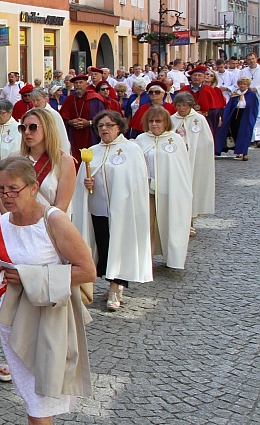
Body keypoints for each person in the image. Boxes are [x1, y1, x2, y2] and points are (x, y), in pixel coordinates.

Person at [0, 157, 94, 425]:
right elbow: (8, 264)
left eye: (13, 189)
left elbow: (87, 271)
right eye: (0, 190)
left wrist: (30, 276)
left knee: (39, 410)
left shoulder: (54, 220)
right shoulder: (3, 222)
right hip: (14, 323)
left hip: (51, 324)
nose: (6, 196)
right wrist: (3, 272)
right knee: (34, 403)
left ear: (34, 187)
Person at [0, 108, 78, 385]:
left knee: (44, 299)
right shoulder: (14, 160)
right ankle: (14, 354)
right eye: (23, 128)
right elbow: (3, 199)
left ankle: (50, 354)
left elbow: (61, 206)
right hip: (19, 234)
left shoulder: (64, 162)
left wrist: (39, 227)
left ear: (47, 129)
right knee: (17, 297)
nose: (27, 133)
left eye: (33, 127)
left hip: (48, 237)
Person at [71, 111, 153, 312]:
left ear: (119, 127)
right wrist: (87, 183)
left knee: (120, 248)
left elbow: (136, 180)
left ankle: (115, 288)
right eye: (100, 126)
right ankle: (111, 281)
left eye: (109, 125)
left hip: (123, 210)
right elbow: (85, 179)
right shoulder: (93, 151)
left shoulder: (131, 149)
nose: (104, 129)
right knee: (105, 248)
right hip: (98, 210)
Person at [135, 109, 192, 270]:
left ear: (166, 122)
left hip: (170, 190)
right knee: (147, 225)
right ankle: (146, 258)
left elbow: (181, 168)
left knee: (170, 223)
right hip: (147, 189)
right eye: (151, 121)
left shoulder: (176, 140)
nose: (154, 124)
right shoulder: (141, 140)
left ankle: (173, 257)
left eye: (158, 121)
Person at [171, 92, 216, 234]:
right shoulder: (172, 119)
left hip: (195, 160)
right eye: (179, 105)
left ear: (190, 105)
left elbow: (207, 141)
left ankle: (190, 220)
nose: (181, 108)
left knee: (192, 188)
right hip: (176, 161)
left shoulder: (199, 119)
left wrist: (194, 148)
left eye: (184, 105)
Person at [59, 74, 107, 162]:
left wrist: (89, 123)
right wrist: (70, 122)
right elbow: (62, 117)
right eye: (76, 83)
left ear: (86, 84)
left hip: (91, 134)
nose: (78, 85)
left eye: (81, 82)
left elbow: (103, 118)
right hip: (73, 135)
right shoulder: (69, 99)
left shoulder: (95, 99)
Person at [216, 76, 260, 160]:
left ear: (248, 85)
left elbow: (254, 107)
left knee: (245, 133)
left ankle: (244, 152)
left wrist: (253, 117)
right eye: (241, 84)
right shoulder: (235, 94)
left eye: (244, 84)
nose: (242, 86)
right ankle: (238, 151)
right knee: (235, 132)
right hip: (235, 114)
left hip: (246, 115)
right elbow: (229, 106)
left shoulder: (252, 95)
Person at [29, 88, 70, 153]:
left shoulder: (53, 114)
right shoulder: (29, 114)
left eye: (38, 100)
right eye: (33, 100)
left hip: (51, 149)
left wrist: (64, 153)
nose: (35, 103)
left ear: (45, 99)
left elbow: (61, 135)